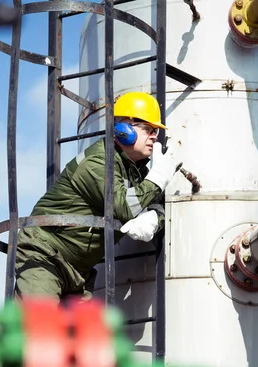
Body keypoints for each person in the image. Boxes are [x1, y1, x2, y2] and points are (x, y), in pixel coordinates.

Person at [15, 91, 180, 302]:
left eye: (155, 130)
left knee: (82, 334)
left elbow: (155, 203)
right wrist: (159, 178)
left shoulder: (135, 170)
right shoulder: (98, 162)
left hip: (78, 271)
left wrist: (155, 218)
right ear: (123, 130)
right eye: (148, 129)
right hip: (44, 256)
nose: (154, 136)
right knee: (41, 327)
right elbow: (123, 208)